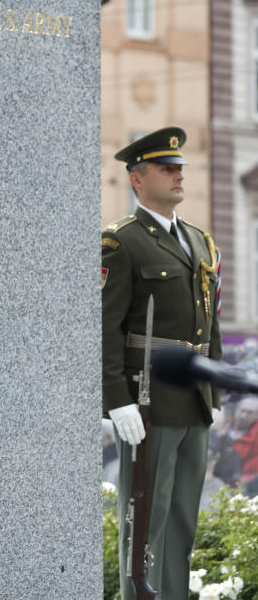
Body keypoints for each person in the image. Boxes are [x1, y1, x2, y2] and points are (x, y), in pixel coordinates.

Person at [102, 126, 222, 600]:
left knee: (181, 527)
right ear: (137, 180)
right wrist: (117, 401)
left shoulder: (199, 241)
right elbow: (106, 329)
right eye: (165, 169)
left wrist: (216, 387)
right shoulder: (122, 242)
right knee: (144, 526)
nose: (178, 175)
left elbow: (210, 321)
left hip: (194, 399)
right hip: (147, 401)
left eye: (179, 169)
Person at [213, 397, 258, 490]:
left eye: (250, 413)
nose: (243, 415)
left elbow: (252, 471)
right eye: (242, 411)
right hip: (214, 477)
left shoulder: (255, 437)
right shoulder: (219, 427)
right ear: (236, 410)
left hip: (240, 485)